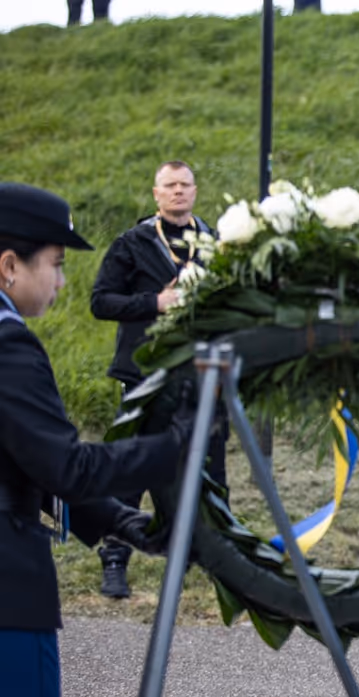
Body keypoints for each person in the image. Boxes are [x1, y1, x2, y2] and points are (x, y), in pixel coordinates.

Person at [0, 182, 191, 697]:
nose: (62, 281)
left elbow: (26, 459)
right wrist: (176, 448)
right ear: (10, 266)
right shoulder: (9, 345)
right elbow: (66, 467)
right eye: (56, 264)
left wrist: (123, 521)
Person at [90, 161, 227, 599]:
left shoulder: (216, 243)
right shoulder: (133, 243)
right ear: (156, 193)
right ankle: (115, 560)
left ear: (195, 191)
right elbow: (101, 302)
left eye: (185, 184)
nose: (178, 191)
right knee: (132, 468)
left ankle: (216, 559)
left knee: (209, 468)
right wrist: (156, 303)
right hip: (145, 376)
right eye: (169, 185)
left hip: (201, 374)